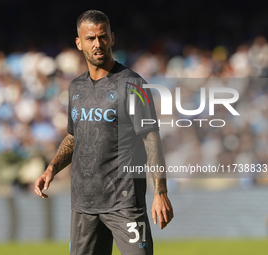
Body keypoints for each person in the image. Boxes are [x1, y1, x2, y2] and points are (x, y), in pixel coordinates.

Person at [35, 10, 174, 255]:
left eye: (103, 37)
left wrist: (160, 192)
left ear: (112, 38)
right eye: (90, 38)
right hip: (83, 205)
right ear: (79, 43)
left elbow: (150, 137)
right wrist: (52, 167)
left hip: (125, 203)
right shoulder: (76, 87)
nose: (97, 44)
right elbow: (74, 136)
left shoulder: (134, 84)